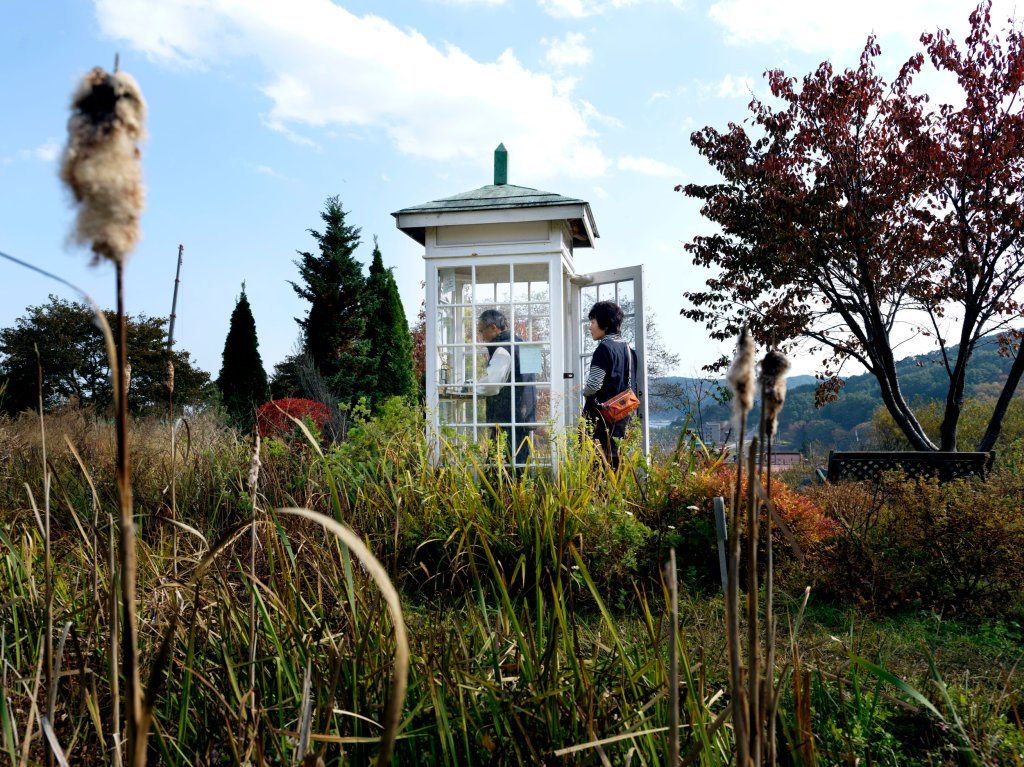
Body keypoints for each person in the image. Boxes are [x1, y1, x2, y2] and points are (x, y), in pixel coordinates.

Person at [474, 308, 537, 468]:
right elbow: (532, 383)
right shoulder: (528, 346)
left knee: (499, 466)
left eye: (482, 332)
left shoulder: (502, 349)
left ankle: (496, 493)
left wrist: (472, 388)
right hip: (526, 416)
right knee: (521, 463)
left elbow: (492, 386)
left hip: (506, 416)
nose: (481, 338)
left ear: (493, 327)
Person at [582, 300, 639, 469]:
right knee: (615, 464)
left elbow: (594, 385)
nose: (590, 327)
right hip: (621, 416)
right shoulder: (629, 350)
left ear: (604, 324)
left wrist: (584, 392)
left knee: (597, 466)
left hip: (601, 418)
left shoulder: (604, 349)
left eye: (592, 322)